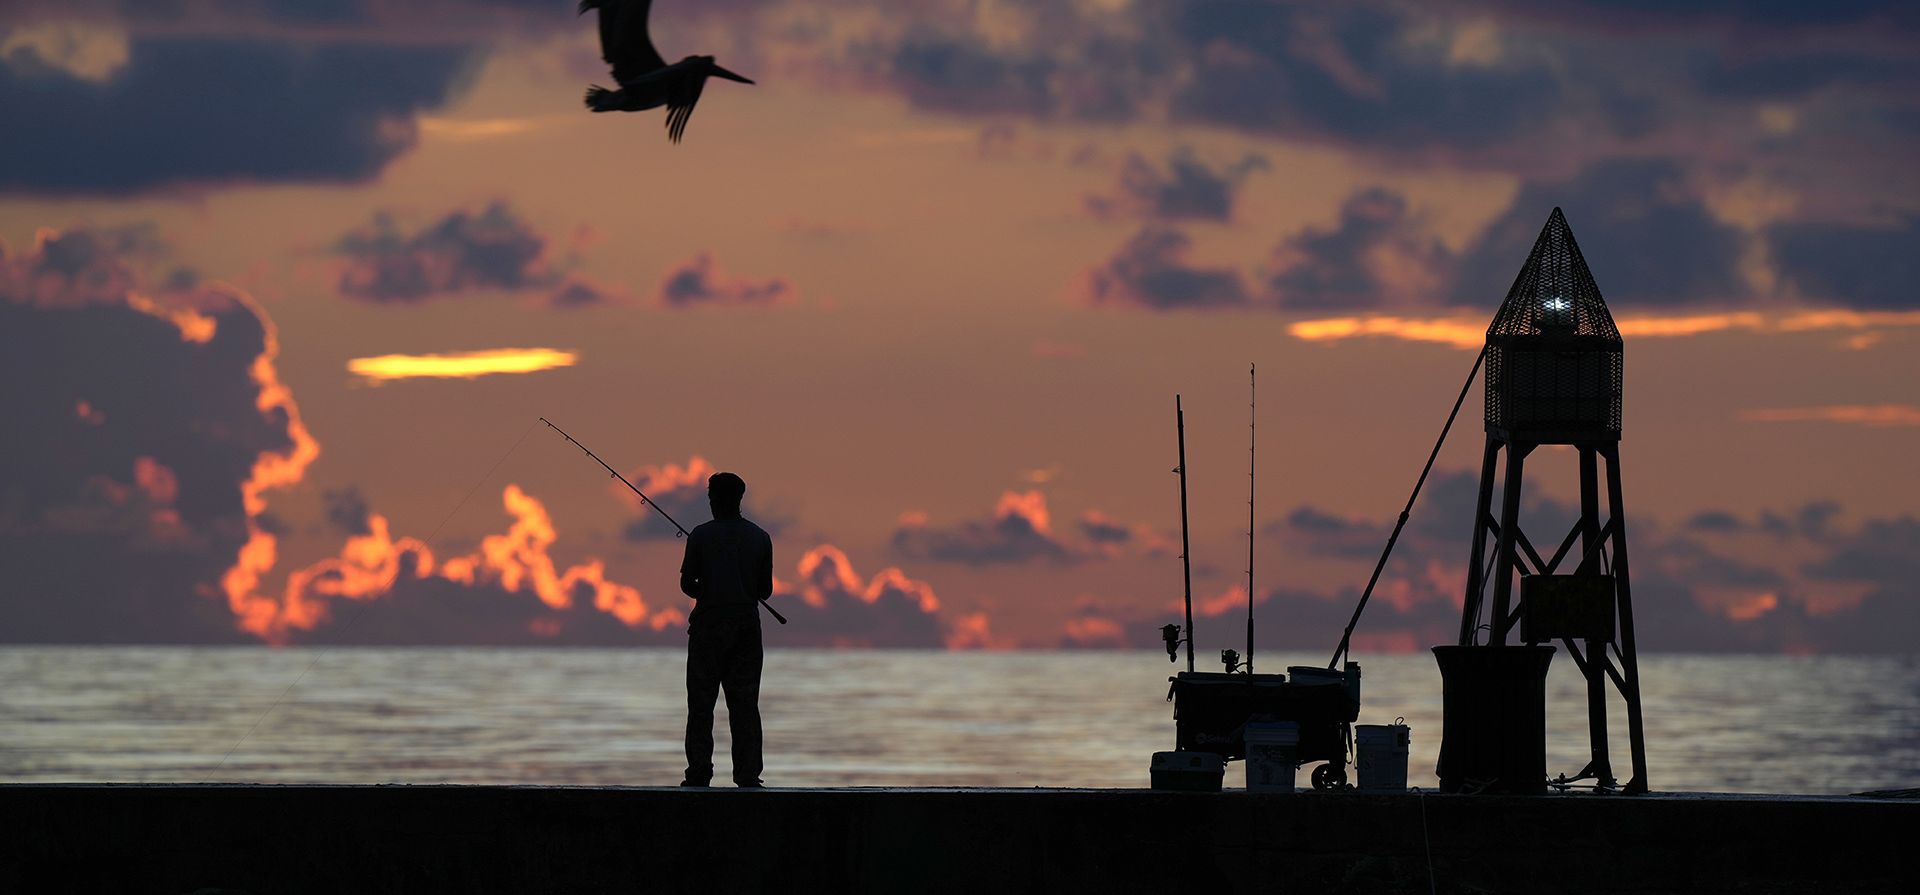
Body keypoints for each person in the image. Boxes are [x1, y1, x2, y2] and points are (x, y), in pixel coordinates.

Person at [679, 471, 773, 787]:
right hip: (747, 629)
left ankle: (698, 773)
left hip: (707, 627)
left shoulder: (700, 536)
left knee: (701, 704)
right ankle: (748, 775)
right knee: (745, 704)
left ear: (714, 499)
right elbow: (765, 590)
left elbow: (686, 584)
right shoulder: (760, 538)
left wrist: (707, 588)